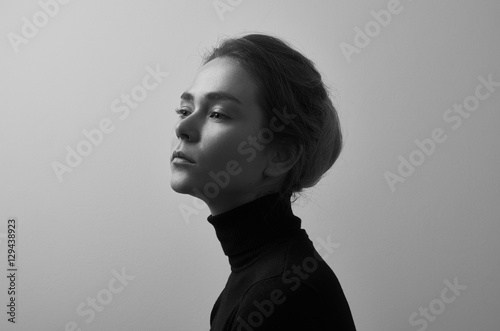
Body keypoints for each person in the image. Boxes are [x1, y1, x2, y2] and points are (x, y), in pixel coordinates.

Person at [170, 33, 356, 330]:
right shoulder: (262, 277)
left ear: (280, 156)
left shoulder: (278, 294)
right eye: (184, 109)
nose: (182, 127)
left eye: (217, 114)